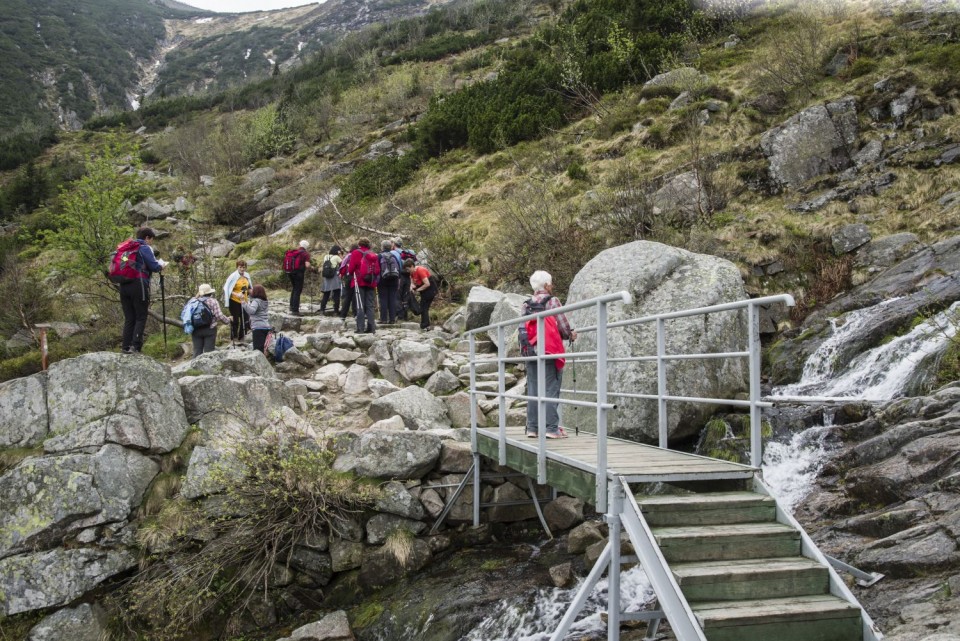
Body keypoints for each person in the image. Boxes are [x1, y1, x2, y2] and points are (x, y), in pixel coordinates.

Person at [523, 271, 577, 439]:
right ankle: (551, 429)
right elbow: (562, 325)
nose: (552, 286)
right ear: (546, 285)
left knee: (533, 390)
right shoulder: (552, 301)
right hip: (549, 351)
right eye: (551, 283)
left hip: (530, 351)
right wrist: (570, 334)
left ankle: (532, 428)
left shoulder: (526, 304)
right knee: (551, 389)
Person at [119, 227, 166, 354]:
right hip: (139, 284)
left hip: (124, 284)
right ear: (147, 238)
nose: (151, 243)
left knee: (129, 318)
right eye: (151, 240)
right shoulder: (144, 248)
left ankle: (125, 347)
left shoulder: (127, 249)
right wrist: (162, 265)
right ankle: (136, 346)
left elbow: (125, 263)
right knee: (141, 316)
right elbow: (154, 266)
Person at [345, 237, 378, 334]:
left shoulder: (355, 253)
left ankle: (360, 328)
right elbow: (377, 270)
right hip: (371, 282)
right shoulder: (373, 254)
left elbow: (351, 269)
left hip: (359, 281)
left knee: (360, 304)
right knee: (370, 305)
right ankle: (371, 327)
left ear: (359, 244)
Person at [189, 283, 231, 357]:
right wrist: (228, 320)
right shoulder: (213, 301)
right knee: (209, 352)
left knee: (197, 351)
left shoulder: (193, 301)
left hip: (196, 329)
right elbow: (219, 315)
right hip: (210, 329)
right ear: (210, 292)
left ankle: (195, 367)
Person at [223, 259, 252, 346]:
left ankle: (242, 336)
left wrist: (253, 293)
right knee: (235, 320)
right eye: (240, 267)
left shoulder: (247, 276)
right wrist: (236, 294)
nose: (242, 269)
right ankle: (234, 338)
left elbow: (249, 287)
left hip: (244, 300)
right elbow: (226, 288)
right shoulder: (233, 276)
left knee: (246, 319)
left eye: (244, 267)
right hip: (234, 301)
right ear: (237, 267)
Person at [405, 259, 437, 330]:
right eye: (406, 270)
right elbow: (413, 282)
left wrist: (417, 290)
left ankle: (425, 325)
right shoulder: (412, 273)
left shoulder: (420, 270)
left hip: (430, 290)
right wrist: (412, 288)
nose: (407, 271)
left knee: (424, 307)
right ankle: (425, 324)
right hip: (424, 291)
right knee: (423, 306)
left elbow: (427, 283)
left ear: (412, 266)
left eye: (408, 269)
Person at [378, 239, 400, 325]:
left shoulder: (379, 256)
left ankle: (383, 319)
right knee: (392, 299)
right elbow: (399, 268)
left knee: (383, 299)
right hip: (394, 279)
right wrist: (399, 279)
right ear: (390, 247)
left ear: (382, 247)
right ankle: (392, 319)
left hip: (383, 280)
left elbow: (377, 269)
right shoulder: (394, 255)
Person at [243, 285, 271, 354]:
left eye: (253, 290)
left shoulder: (256, 301)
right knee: (263, 348)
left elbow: (251, 311)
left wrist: (243, 302)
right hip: (266, 326)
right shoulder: (265, 301)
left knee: (258, 350)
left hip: (258, 327)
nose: (252, 291)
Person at [286, 240, 312, 315]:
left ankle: (291, 306)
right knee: (297, 290)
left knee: (294, 288)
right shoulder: (305, 254)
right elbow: (307, 265)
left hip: (290, 272)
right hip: (299, 273)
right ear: (306, 247)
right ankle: (295, 310)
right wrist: (311, 267)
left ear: (300, 245)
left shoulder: (295, 252)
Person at [339, 243, 360, 322]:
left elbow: (342, 266)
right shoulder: (357, 255)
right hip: (356, 276)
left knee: (347, 296)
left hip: (348, 277)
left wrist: (342, 274)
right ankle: (355, 314)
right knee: (355, 296)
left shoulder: (348, 256)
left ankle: (343, 314)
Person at [320, 245, 344, 316]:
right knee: (336, 293)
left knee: (326, 294)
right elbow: (343, 263)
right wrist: (340, 255)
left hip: (326, 277)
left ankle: (322, 309)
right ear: (338, 251)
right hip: (334, 277)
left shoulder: (326, 256)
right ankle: (336, 311)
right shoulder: (337, 257)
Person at [395, 240, 415, 321]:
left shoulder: (396, 253)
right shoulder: (408, 253)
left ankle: (400, 315)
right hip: (408, 277)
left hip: (401, 277)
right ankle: (405, 316)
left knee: (398, 296)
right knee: (405, 296)